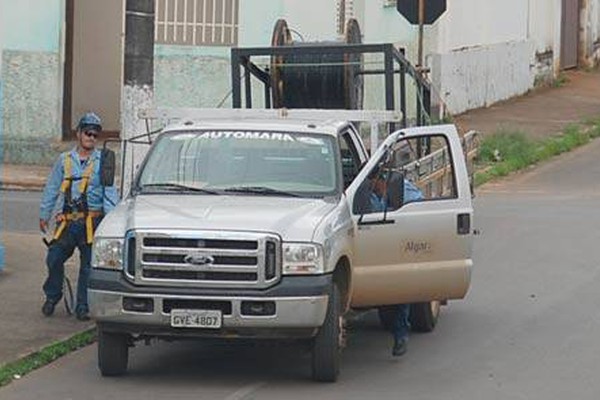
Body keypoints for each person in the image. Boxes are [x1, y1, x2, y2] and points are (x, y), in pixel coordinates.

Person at [39, 112, 119, 321]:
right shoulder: (64, 160)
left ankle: (82, 306)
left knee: (87, 266)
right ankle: (53, 294)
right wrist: (44, 214)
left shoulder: (104, 161)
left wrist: (111, 223)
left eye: (95, 133)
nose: (91, 137)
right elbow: (52, 188)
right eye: (87, 132)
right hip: (67, 222)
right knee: (54, 258)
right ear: (78, 133)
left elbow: (110, 194)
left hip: (92, 223)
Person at [367, 169, 423, 357]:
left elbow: (420, 210)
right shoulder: (368, 195)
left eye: (373, 183)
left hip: (399, 247)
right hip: (374, 249)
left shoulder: (403, 190)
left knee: (400, 292)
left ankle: (400, 336)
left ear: (381, 180)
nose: (372, 188)